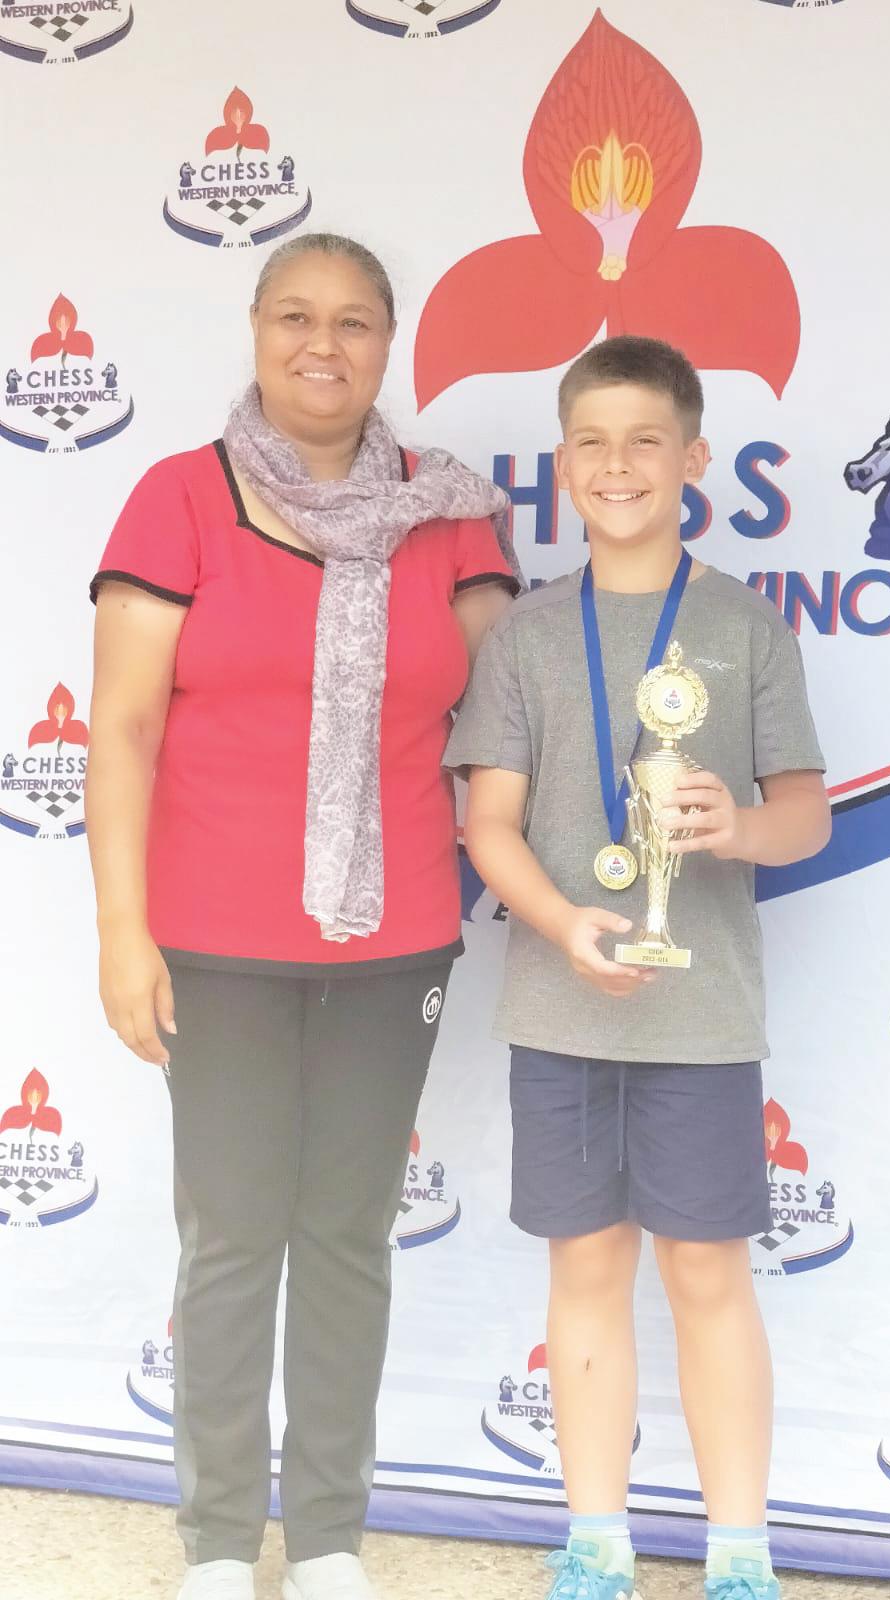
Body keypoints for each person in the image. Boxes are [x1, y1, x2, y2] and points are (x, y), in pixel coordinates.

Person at [86, 232, 518, 1600]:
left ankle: (328, 1537)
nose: (321, 345)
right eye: (294, 317)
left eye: (352, 322)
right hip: (214, 939)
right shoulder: (180, 499)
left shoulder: (449, 513)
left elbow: (510, 716)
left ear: (388, 343)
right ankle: (220, 1544)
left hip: (397, 939)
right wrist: (120, 931)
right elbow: (123, 729)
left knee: (346, 1236)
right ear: (256, 328)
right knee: (230, 1238)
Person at [445, 335, 830, 1600]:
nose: (619, 466)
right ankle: (597, 1539)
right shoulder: (525, 634)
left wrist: (738, 827)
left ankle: (740, 1554)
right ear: (563, 465)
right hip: (561, 1005)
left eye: (646, 442)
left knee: (708, 1270)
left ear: (695, 458)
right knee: (586, 1265)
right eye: (594, 444)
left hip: (700, 1012)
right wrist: (563, 923)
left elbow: (806, 816)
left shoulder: (745, 625)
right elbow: (488, 824)